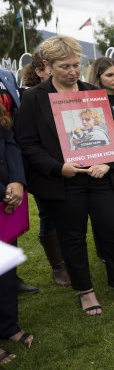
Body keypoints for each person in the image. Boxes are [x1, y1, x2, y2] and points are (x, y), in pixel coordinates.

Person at [16, 35, 114, 315]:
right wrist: (59, 167)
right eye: (65, 67)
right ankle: (85, 290)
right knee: (72, 237)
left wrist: (107, 162)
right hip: (64, 181)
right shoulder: (35, 98)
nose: (73, 72)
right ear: (47, 65)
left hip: (101, 177)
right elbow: (27, 144)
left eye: (76, 65)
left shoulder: (93, 92)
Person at [21, 51, 71, 286]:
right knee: (48, 216)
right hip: (43, 168)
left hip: (67, 163)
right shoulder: (30, 97)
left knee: (69, 216)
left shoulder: (71, 93)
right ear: (41, 69)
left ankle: (71, 261)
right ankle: (57, 266)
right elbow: (28, 139)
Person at [87, 57, 114, 261]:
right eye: (109, 75)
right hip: (99, 162)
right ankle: (104, 252)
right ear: (98, 77)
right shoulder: (90, 100)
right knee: (101, 211)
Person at [0, 101, 34, 365]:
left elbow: (9, 140)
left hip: (5, 196)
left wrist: (17, 181)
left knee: (5, 266)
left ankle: (8, 325)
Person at [1, 66, 39, 294]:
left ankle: (10, 279)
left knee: (8, 233)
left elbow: (10, 133)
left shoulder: (6, 76)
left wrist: (16, 178)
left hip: (10, 169)